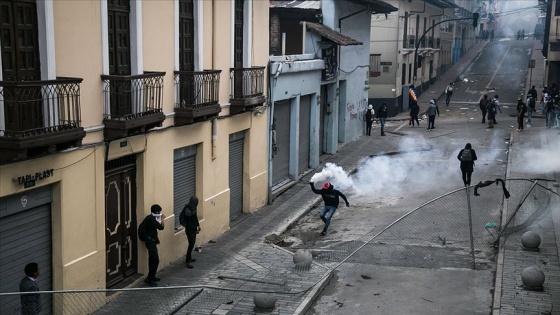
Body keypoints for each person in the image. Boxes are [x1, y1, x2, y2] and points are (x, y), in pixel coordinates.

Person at [143, 204, 165, 286]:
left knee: (152, 259)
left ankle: (151, 276)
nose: (159, 213)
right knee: (155, 260)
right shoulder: (151, 219)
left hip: (152, 241)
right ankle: (150, 278)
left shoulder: (150, 218)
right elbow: (161, 227)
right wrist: (162, 219)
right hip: (150, 242)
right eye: (158, 212)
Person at [182, 196, 201, 269]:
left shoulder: (193, 208)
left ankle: (189, 258)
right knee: (191, 245)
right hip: (190, 230)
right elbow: (189, 223)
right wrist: (195, 229)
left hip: (193, 229)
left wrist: (198, 225)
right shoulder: (187, 210)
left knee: (192, 244)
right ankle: (188, 261)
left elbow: (195, 217)